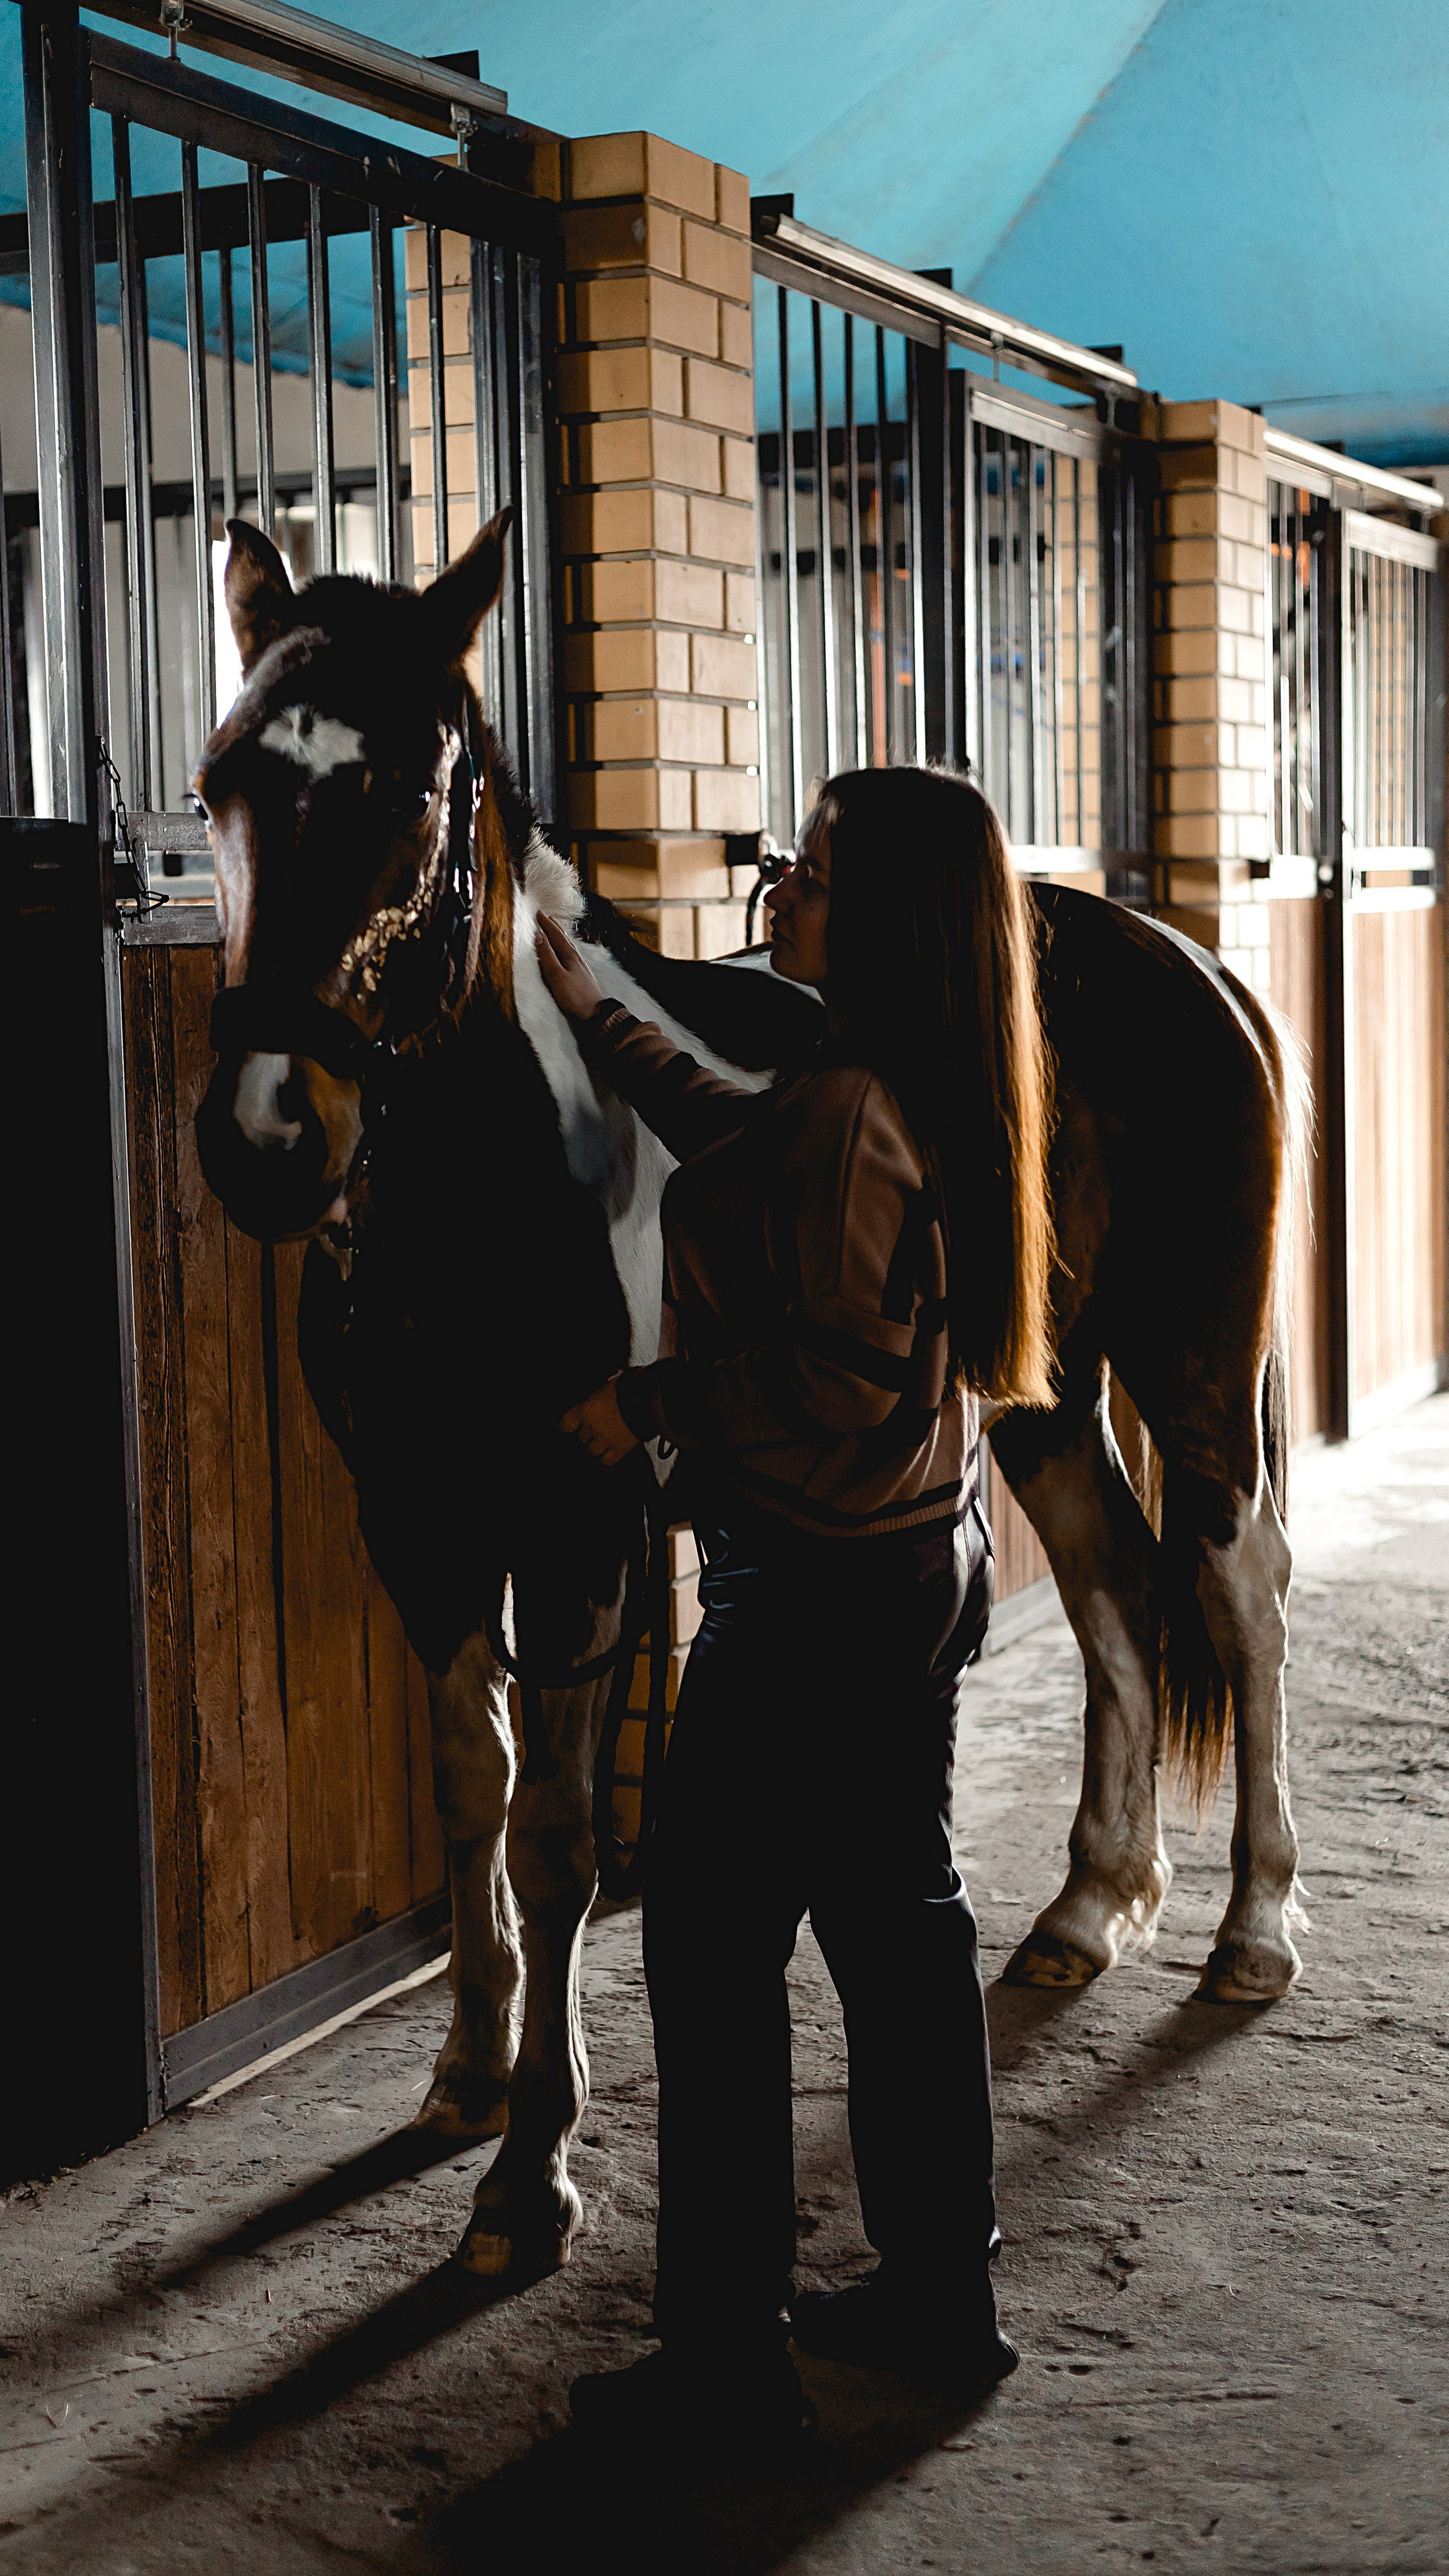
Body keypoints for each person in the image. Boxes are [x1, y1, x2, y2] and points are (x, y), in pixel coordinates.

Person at [533, 765, 1055, 2450]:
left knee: (703, 1942)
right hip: (911, 1562)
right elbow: (743, 1143)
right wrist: (597, 1018)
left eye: (812, 872)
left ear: (883, 910)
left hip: (816, 1589)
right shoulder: (908, 1081)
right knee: (902, 1934)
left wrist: (655, 1405)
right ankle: (938, 2293)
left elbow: (830, 1375)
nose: (782, 895)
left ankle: (723, 2356)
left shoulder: (848, 1111)